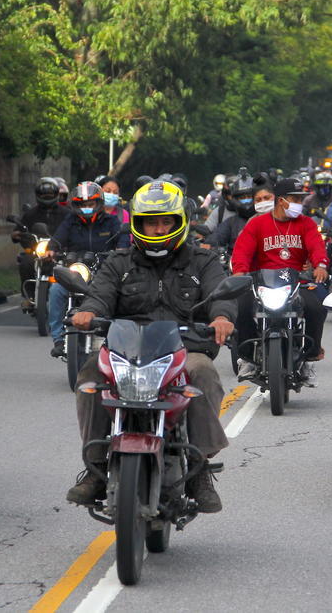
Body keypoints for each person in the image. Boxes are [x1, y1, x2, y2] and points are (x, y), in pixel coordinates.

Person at [65, 179, 236, 512]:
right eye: (150, 223)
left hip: (184, 347)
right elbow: (100, 294)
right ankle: (95, 468)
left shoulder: (203, 261)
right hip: (127, 349)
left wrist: (222, 317)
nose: (158, 229)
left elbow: (220, 293)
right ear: (138, 224)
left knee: (202, 373)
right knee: (89, 376)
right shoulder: (119, 262)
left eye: (165, 222)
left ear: (179, 222)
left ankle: (198, 469)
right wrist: (88, 312)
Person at [231, 177, 329, 386]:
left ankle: (309, 357)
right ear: (281, 200)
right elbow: (242, 250)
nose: (299, 204)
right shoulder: (257, 224)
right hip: (262, 283)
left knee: (317, 306)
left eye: (301, 200)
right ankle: (247, 357)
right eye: (295, 199)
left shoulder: (306, 224)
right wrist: (240, 272)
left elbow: (316, 246)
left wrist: (320, 265)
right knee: (241, 305)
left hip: (297, 281)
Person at [47, 181, 130, 357]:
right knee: (56, 290)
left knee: (121, 293)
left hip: (104, 271)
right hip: (76, 271)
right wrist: (51, 249)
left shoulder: (111, 221)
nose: (86, 207)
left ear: (98, 203)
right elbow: (58, 238)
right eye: (82, 204)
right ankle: (59, 339)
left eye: (90, 203)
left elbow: (122, 240)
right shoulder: (70, 221)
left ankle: (116, 337)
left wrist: (121, 250)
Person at [16, 178, 70, 307]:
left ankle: (73, 298)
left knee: (74, 264)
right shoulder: (30, 214)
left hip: (60, 251)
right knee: (25, 262)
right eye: (44, 194)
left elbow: (74, 229)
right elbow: (18, 230)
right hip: (37, 251)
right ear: (37, 194)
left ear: (56, 194)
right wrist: (19, 234)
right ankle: (29, 296)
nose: (47, 196)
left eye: (50, 194)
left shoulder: (67, 213)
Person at [203, 172, 262, 251]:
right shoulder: (231, 221)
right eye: (242, 197)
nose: (246, 200)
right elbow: (218, 236)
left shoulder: (266, 217)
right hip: (236, 257)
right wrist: (208, 244)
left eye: (249, 196)